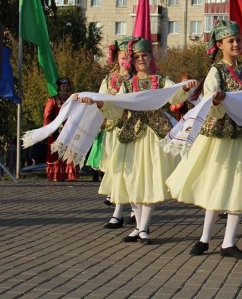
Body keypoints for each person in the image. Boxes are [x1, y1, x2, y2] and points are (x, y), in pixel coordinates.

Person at [166, 20, 242, 259]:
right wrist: (217, 101)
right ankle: (204, 238)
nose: (236, 44)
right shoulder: (217, 71)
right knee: (217, 186)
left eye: (238, 40)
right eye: (230, 40)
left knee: (239, 188)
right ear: (219, 45)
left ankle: (228, 243)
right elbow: (209, 105)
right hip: (222, 137)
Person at [84, 37, 196, 245]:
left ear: (151, 58)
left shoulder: (162, 81)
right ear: (132, 61)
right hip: (132, 135)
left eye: (145, 55)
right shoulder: (127, 85)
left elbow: (175, 95)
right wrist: (101, 104)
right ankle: (139, 227)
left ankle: (143, 228)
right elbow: (116, 109)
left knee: (150, 181)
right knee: (132, 182)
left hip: (154, 137)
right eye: (137, 57)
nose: (141, 59)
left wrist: (185, 88)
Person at [91, 37, 134, 229]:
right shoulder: (109, 79)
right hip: (111, 131)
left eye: (128, 56)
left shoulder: (136, 79)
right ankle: (127, 210)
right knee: (115, 171)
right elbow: (100, 100)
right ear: (116, 57)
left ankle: (120, 213)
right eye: (121, 56)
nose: (125, 60)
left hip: (130, 130)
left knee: (126, 171)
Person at [43, 77, 79, 182]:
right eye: (64, 87)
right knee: (56, 155)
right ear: (59, 88)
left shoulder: (73, 100)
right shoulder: (53, 100)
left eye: (67, 86)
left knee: (69, 153)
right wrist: (51, 130)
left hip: (70, 132)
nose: (66, 89)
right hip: (56, 133)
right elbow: (46, 117)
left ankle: (69, 175)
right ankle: (56, 175)